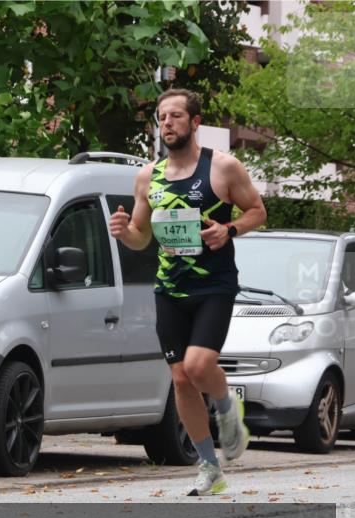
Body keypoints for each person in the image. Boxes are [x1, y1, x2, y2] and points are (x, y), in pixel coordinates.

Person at [109, 88, 267, 496]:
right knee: (179, 379)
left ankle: (228, 406)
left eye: (176, 116)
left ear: (195, 123)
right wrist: (125, 231)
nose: (168, 123)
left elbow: (257, 211)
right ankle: (209, 466)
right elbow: (142, 238)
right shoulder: (148, 176)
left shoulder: (223, 168)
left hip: (213, 286)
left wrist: (228, 230)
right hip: (169, 289)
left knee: (198, 367)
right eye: (162, 117)